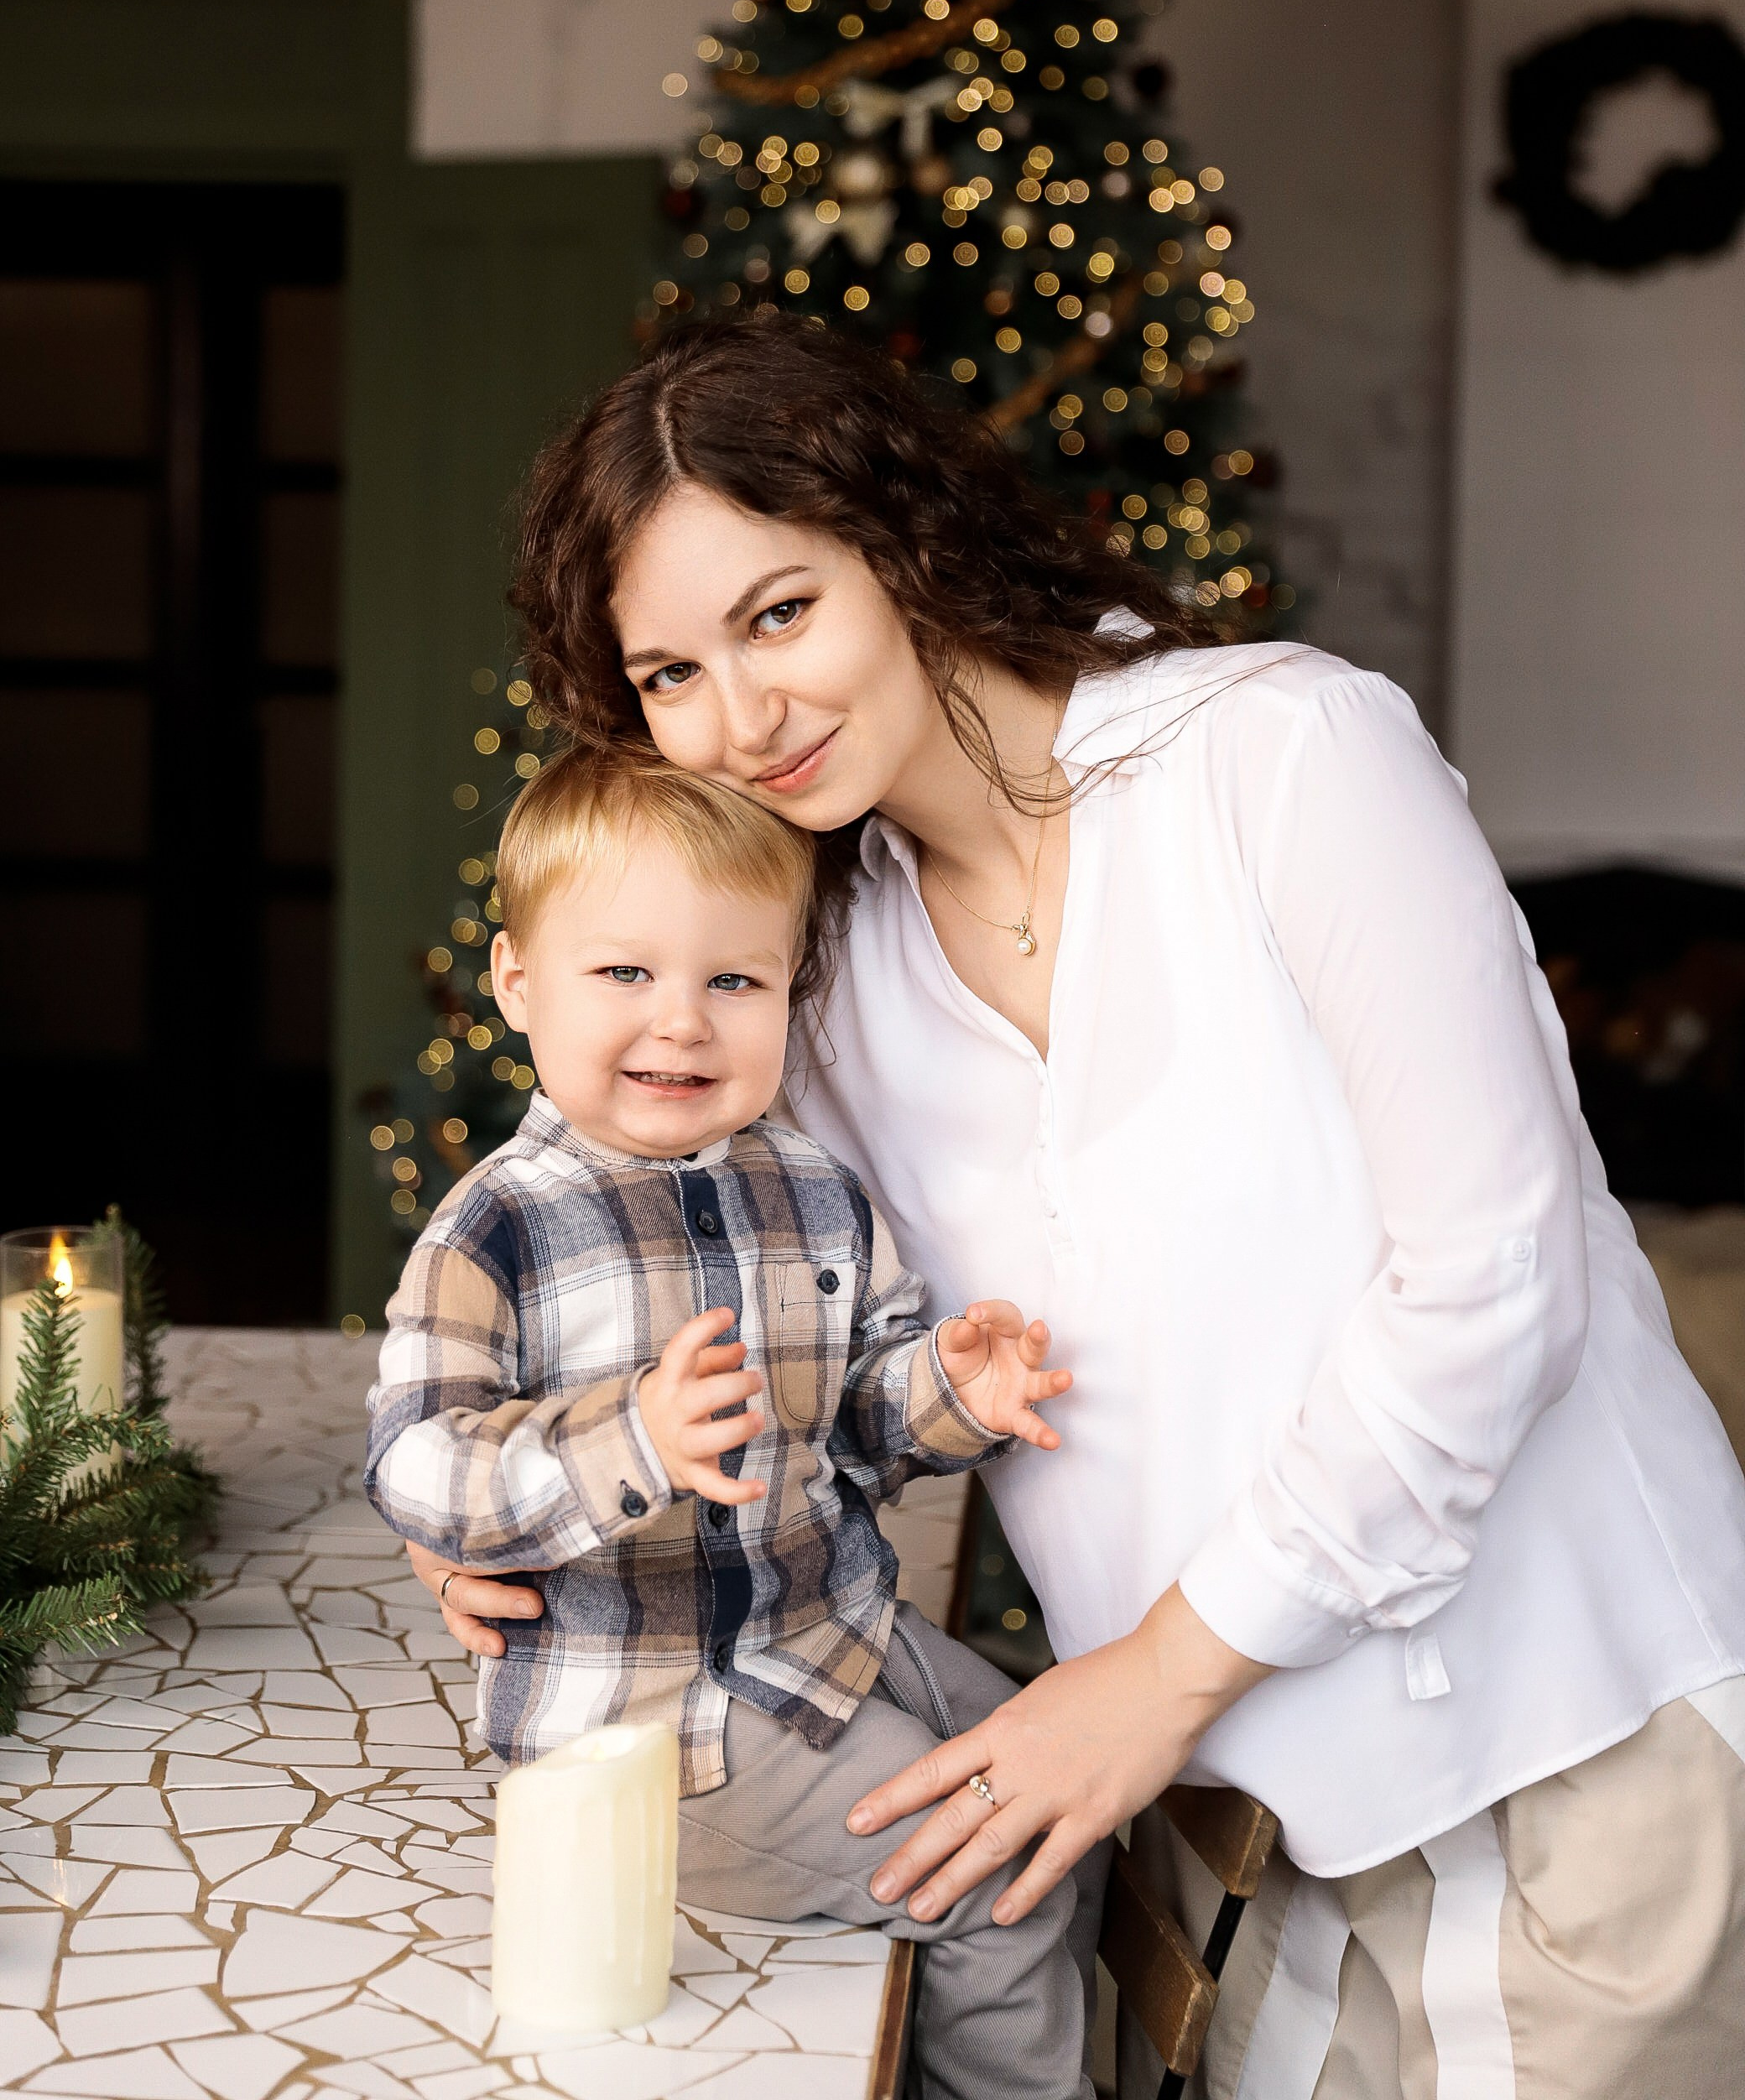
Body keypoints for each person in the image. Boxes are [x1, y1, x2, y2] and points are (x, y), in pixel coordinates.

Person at [410, 312, 1745, 2097]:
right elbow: (655, 1245)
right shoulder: (815, 965)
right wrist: (520, 1471)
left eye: (778, 612)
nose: (739, 720)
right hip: (1232, 1834)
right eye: (667, 675)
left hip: (1572, 1748)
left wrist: (1156, 1681)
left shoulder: (1283, 755)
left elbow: (1490, 1280)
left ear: (902, 544)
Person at [365, 745, 1106, 2100]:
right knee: (998, 1855)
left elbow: (862, 1418)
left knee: (1067, 1795)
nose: (684, 1022)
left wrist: (954, 1388)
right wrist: (629, 1445)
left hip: (838, 1635)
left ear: (786, 994)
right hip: (663, 1738)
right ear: (520, 982)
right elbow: (417, 1465)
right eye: (626, 973)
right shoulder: (499, 1229)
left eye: (735, 980)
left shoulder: (812, 1188)